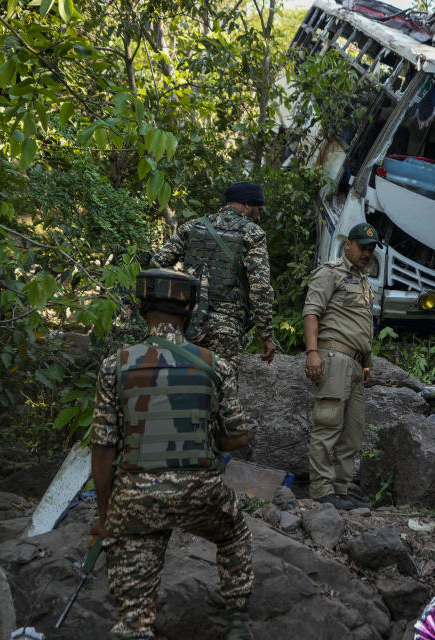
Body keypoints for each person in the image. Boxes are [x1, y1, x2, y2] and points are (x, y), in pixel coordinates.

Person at [89, 268, 254, 640]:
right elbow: (238, 438)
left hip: (136, 499)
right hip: (201, 493)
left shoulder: (114, 366)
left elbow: (102, 448)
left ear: (142, 309)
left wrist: (106, 518)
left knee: (133, 615)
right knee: (234, 535)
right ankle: (238, 622)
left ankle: (135, 625)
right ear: (189, 312)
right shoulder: (216, 365)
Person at [151, 180, 276, 372]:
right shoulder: (253, 234)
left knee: (183, 385)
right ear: (247, 205)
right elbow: (260, 289)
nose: (258, 216)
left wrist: (181, 297)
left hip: (186, 324)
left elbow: (158, 263)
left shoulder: (193, 226)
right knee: (221, 390)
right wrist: (266, 335)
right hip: (225, 329)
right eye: (258, 209)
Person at [301, 223, 380, 510]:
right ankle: (322, 491)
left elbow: (363, 326)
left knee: (352, 431)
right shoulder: (330, 273)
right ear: (348, 245)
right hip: (333, 356)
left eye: (371, 249)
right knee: (328, 423)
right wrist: (312, 352)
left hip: (357, 364)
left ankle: (341, 488)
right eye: (362, 247)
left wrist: (367, 363)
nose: (367, 253)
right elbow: (312, 312)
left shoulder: (363, 281)